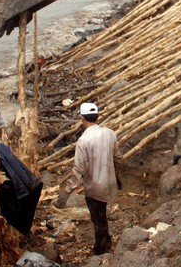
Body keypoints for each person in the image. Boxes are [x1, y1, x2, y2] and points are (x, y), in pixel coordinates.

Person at [54, 103, 122, 255]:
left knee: (98, 220)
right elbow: (117, 157)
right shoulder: (110, 133)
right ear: (97, 116)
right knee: (102, 214)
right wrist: (118, 176)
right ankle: (107, 240)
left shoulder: (83, 141)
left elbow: (79, 170)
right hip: (110, 183)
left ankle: (101, 250)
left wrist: (66, 192)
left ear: (82, 118)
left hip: (94, 188)